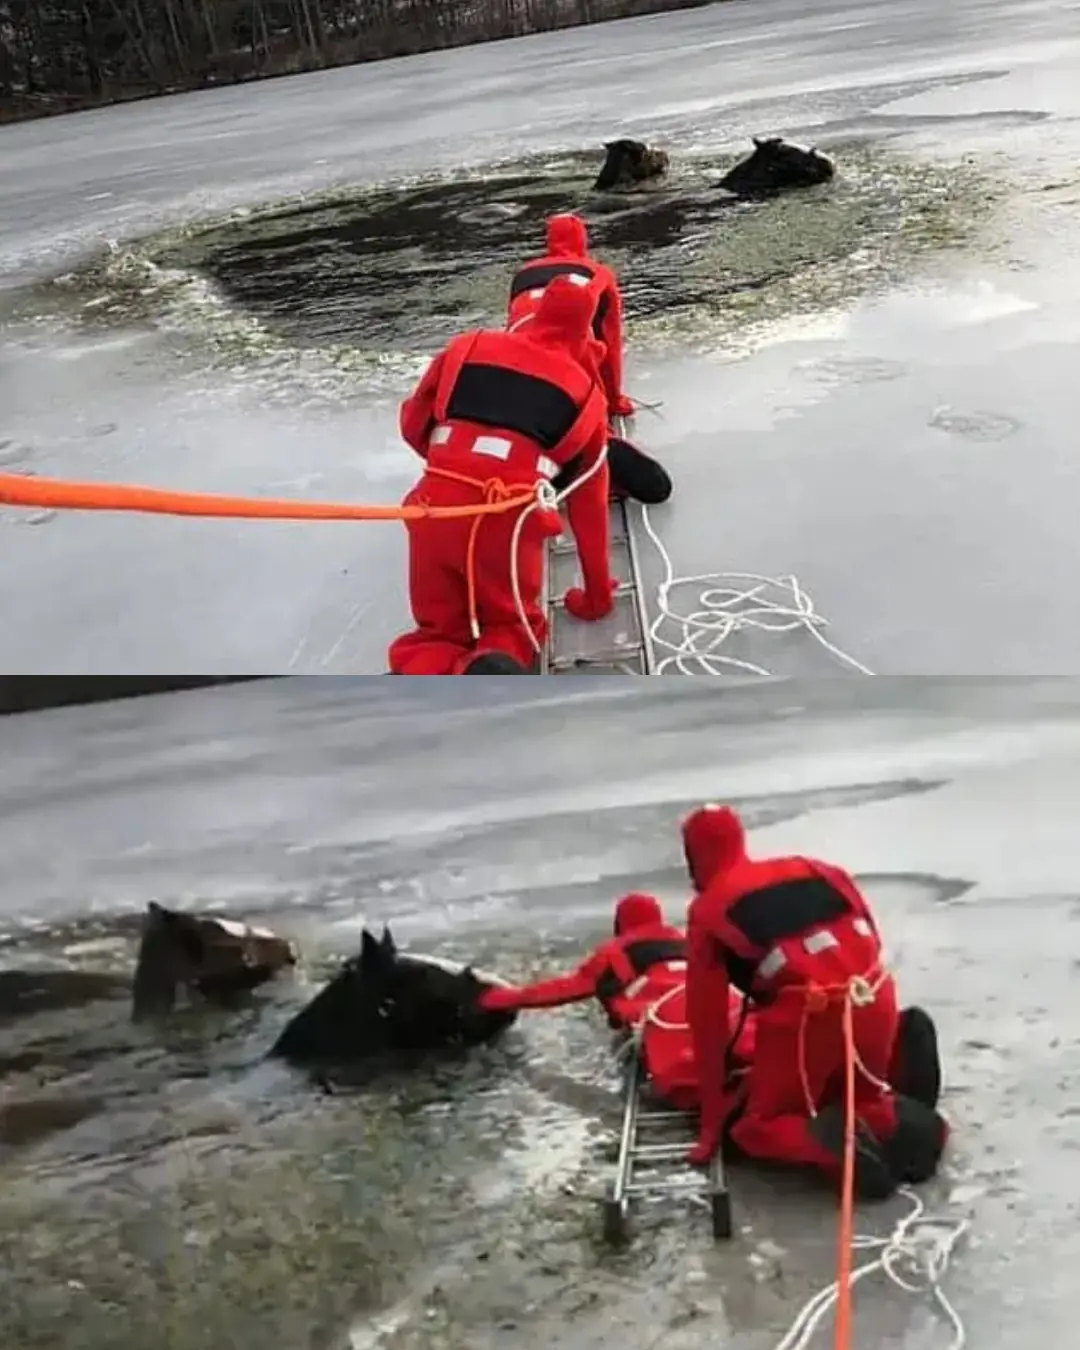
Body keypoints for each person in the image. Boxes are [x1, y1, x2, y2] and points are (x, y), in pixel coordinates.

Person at [680, 804, 947, 1200]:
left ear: (694, 857)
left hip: (808, 1015)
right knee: (860, 1093)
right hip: (875, 994)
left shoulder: (707, 910)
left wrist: (710, 1127)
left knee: (757, 1126)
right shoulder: (816, 868)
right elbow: (869, 937)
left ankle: (836, 1145)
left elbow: (708, 1021)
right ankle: (902, 1116)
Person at [386, 277, 620, 677]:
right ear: (584, 334)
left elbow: (412, 423)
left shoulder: (467, 346)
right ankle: (494, 663)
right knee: (509, 626)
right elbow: (588, 505)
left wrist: (455, 470)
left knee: (438, 627)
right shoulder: (586, 396)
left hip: (431, 508)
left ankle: (424, 666)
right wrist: (595, 597)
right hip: (505, 521)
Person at [478, 892, 690, 1027]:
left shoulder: (614, 953)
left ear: (619, 924)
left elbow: (563, 990)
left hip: (653, 1021)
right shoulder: (688, 943)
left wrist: (498, 997)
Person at [508, 213, 632, 420]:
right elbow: (610, 343)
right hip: (571, 357)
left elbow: (513, 323)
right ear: (583, 241)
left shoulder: (522, 275)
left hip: (518, 355)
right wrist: (615, 401)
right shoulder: (600, 275)